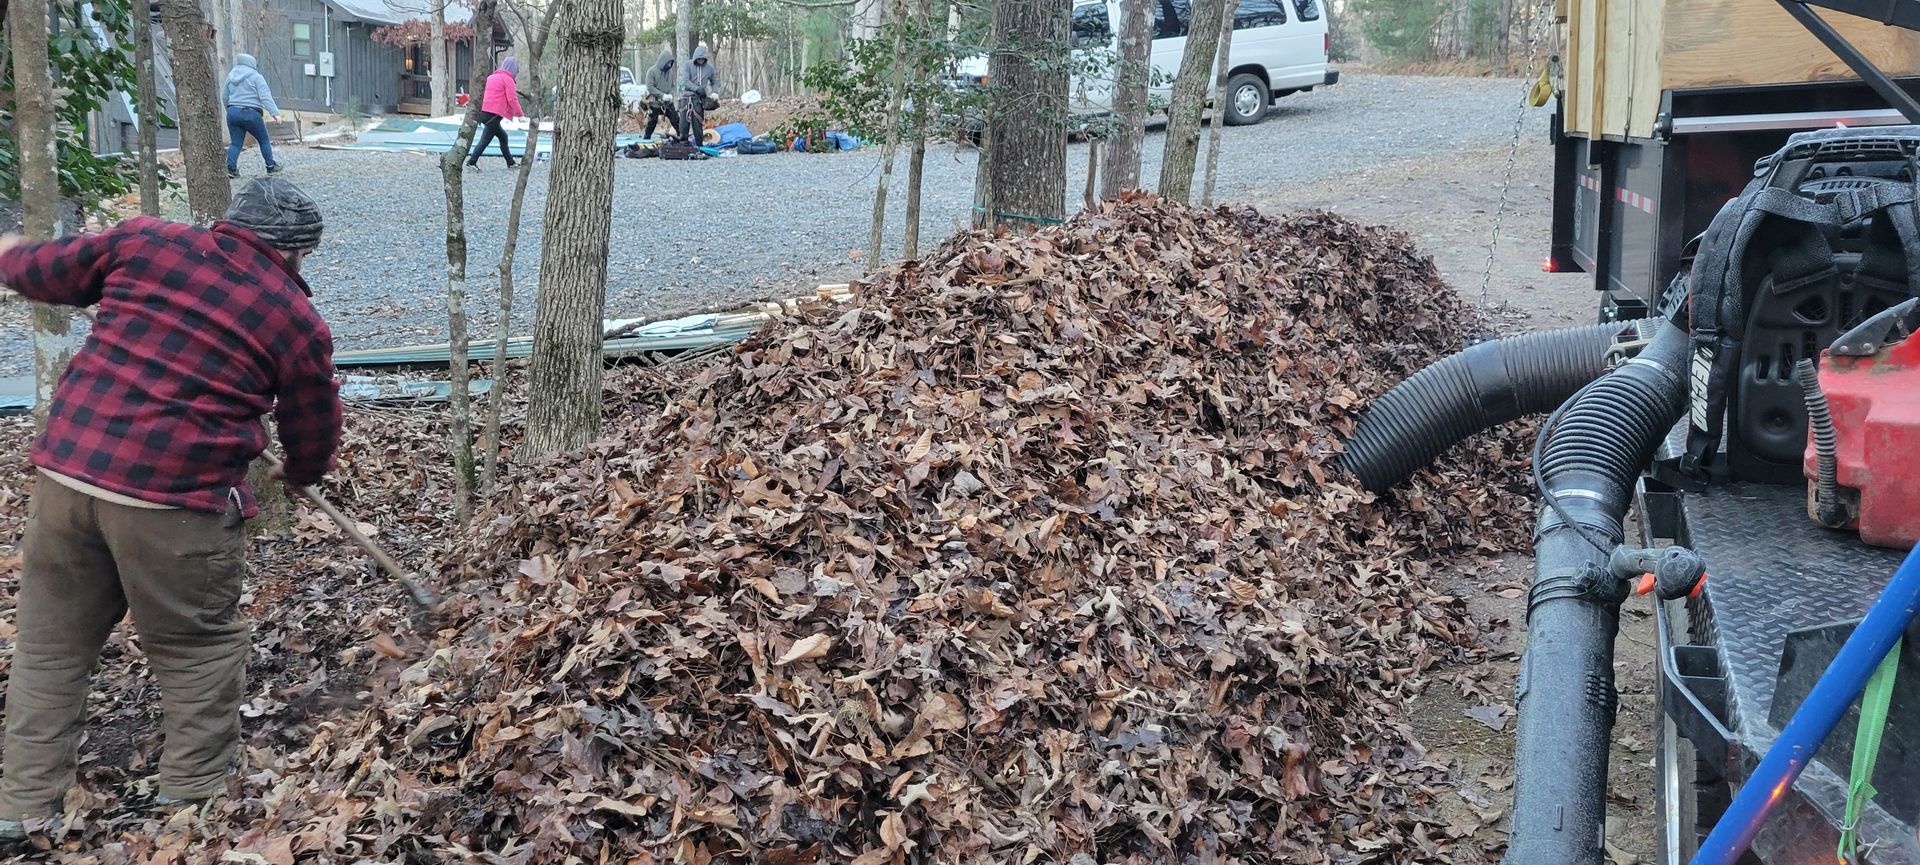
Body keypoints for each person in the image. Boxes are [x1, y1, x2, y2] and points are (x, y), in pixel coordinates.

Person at [0, 178, 343, 838]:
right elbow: (314, 423)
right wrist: (302, 473)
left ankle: (23, 805)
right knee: (199, 648)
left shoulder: (146, 242)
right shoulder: (296, 320)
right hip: (174, 503)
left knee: (49, 647)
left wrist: (9, 251)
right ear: (297, 255)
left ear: (227, 223)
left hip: (68, 478)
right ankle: (191, 802)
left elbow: (47, 269)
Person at [224, 54, 283, 178]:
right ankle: (271, 166)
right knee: (263, 140)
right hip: (251, 113)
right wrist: (275, 113)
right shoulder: (256, 77)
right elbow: (265, 97)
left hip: (233, 112)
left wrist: (230, 110)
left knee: (235, 143)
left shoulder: (231, 76)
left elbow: (225, 96)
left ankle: (231, 168)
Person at [468, 57, 526, 169]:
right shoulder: (508, 80)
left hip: (483, 112)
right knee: (485, 140)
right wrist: (520, 115)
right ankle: (471, 162)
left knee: (503, 137)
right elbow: (512, 99)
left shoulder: (491, 77)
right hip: (493, 115)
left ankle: (510, 162)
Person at [677, 44, 718, 146]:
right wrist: (697, 88)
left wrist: (714, 92)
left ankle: (699, 146)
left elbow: (715, 81)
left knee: (698, 124)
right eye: (698, 59)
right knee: (683, 124)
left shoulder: (709, 68)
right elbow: (685, 81)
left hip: (699, 99)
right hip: (686, 97)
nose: (700, 61)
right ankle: (683, 146)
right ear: (695, 58)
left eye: (702, 59)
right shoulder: (688, 65)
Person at [642, 48, 679, 140]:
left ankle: (682, 137)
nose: (670, 65)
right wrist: (662, 95)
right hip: (655, 102)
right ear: (663, 62)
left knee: (676, 119)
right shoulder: (652, 71)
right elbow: (650, 87)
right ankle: (646, 139)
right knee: (652, 122)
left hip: (667, 103)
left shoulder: (670, 72)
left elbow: (673, 86)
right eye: (668, 63)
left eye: (671, 63)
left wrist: (670, 95)